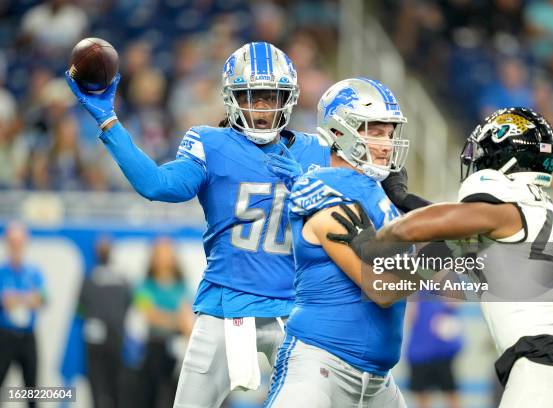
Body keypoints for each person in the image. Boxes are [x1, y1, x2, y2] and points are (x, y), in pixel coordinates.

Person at [65, 42, 417, 408]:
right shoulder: (210, 143)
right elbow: (157, 184)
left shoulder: (317, 150)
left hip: (295, 314)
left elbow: (365, 177)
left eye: (272, 97)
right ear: (233, 98)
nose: (263, 108)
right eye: (253, 97)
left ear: (290, 98)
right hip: (227, 305)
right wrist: (109, 123)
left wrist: (395, 184)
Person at [328, 107, 553, 407]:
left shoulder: (507, 212)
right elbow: (404, 276)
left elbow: (418, 226)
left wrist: (371, 239)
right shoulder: (529, 214)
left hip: (542, 372)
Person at [264, 77, 423, 407]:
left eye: (390, 133)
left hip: (378, 381)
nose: (386, 144)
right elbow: (383, 289)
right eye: (375, 131)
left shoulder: (380, 195)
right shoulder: (325, 190)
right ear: (339, 131)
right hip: (321, 367)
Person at [132, 238, 193, 408]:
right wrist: (175, 319)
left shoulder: (182, 287)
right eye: (160, 253)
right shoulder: (144, 286)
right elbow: (148, 315)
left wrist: (176, 320)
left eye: (167, 253)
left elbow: (187, 318)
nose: (164, 258)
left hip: (177, 353)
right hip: (153, 350)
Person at [77, 237, 131, 408]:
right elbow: (80, 308)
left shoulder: (93, 278)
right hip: (102, 340)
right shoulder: (118, 279)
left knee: (111, 384)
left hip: (111, 339)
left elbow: (79, 308)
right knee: (100, 384)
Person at [0, 223, 46, 408]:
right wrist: (27, 298)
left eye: (19, 242)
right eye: (13, 243)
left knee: (32, 389)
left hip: (27, 337)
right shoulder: (2, 272)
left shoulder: (34, 272)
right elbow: (6, 301)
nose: (16, 247)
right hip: (5, 337)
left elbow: (42, 298)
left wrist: (16, 299)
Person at [405, 294, 462, 408]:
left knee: (451, 394)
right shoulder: (414, 288)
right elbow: (409, 317)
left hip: (442, 352)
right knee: (422, 397)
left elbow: (454, 303)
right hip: (420, 352)